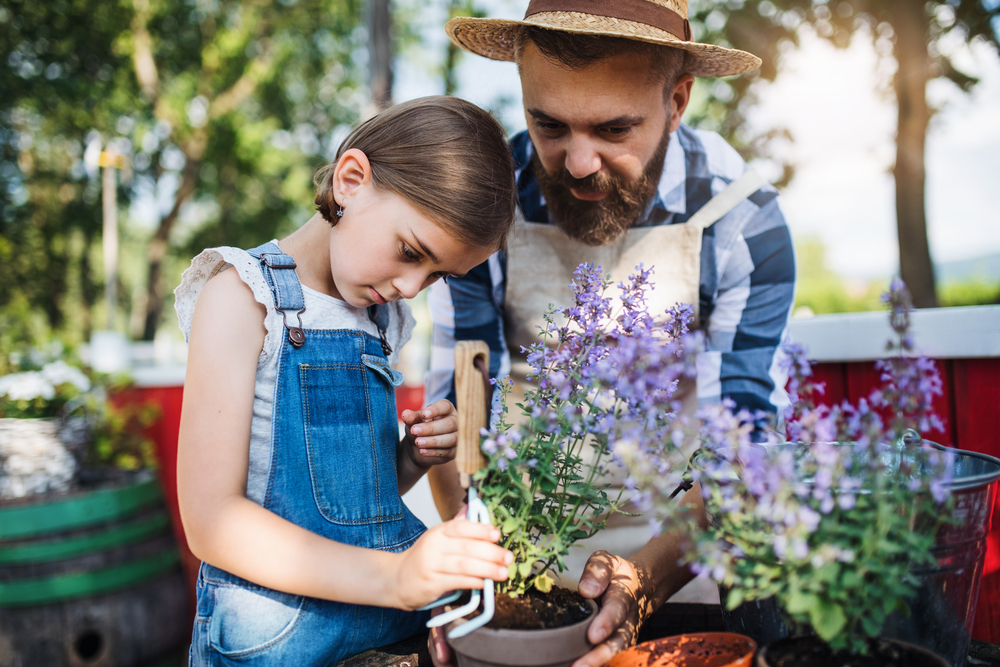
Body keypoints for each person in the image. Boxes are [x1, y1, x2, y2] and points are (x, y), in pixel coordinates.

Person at [425, 2, 797, 665]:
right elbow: (464, 402)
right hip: (518, 566)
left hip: (693, 572)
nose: (577, 162)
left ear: (677, 100)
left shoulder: (743, 222)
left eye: (613, 127)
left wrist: (640, 584)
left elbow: (746, 449)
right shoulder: (485, 204)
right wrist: (473, 574)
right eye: (549, 125)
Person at [173, 96, 518, 666]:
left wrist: (411, 459)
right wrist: (397, 578)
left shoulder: (380, 318)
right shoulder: (241, 298)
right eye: (411, 252)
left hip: (387, 632)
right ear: (351, 180)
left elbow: (346, 501)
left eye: (436, 276)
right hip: (276, 640)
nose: (412, 286)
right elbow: (211, 522)